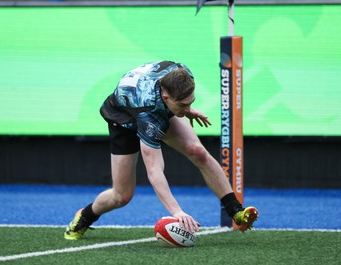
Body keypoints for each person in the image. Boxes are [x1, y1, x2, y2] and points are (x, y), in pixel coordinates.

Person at [64, 60, 258, 240]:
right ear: (166, 98)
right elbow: (154, 170)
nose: (188, 107)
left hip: (151, 106)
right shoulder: (149, 112)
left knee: (197, 151)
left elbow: (176, 99)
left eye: (191, 102)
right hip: (123, 119)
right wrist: (177, 212)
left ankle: (236, 212)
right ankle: (85, 216)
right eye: (183, 104)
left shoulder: (183, 74)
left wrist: (185, 109)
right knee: (121, 196)